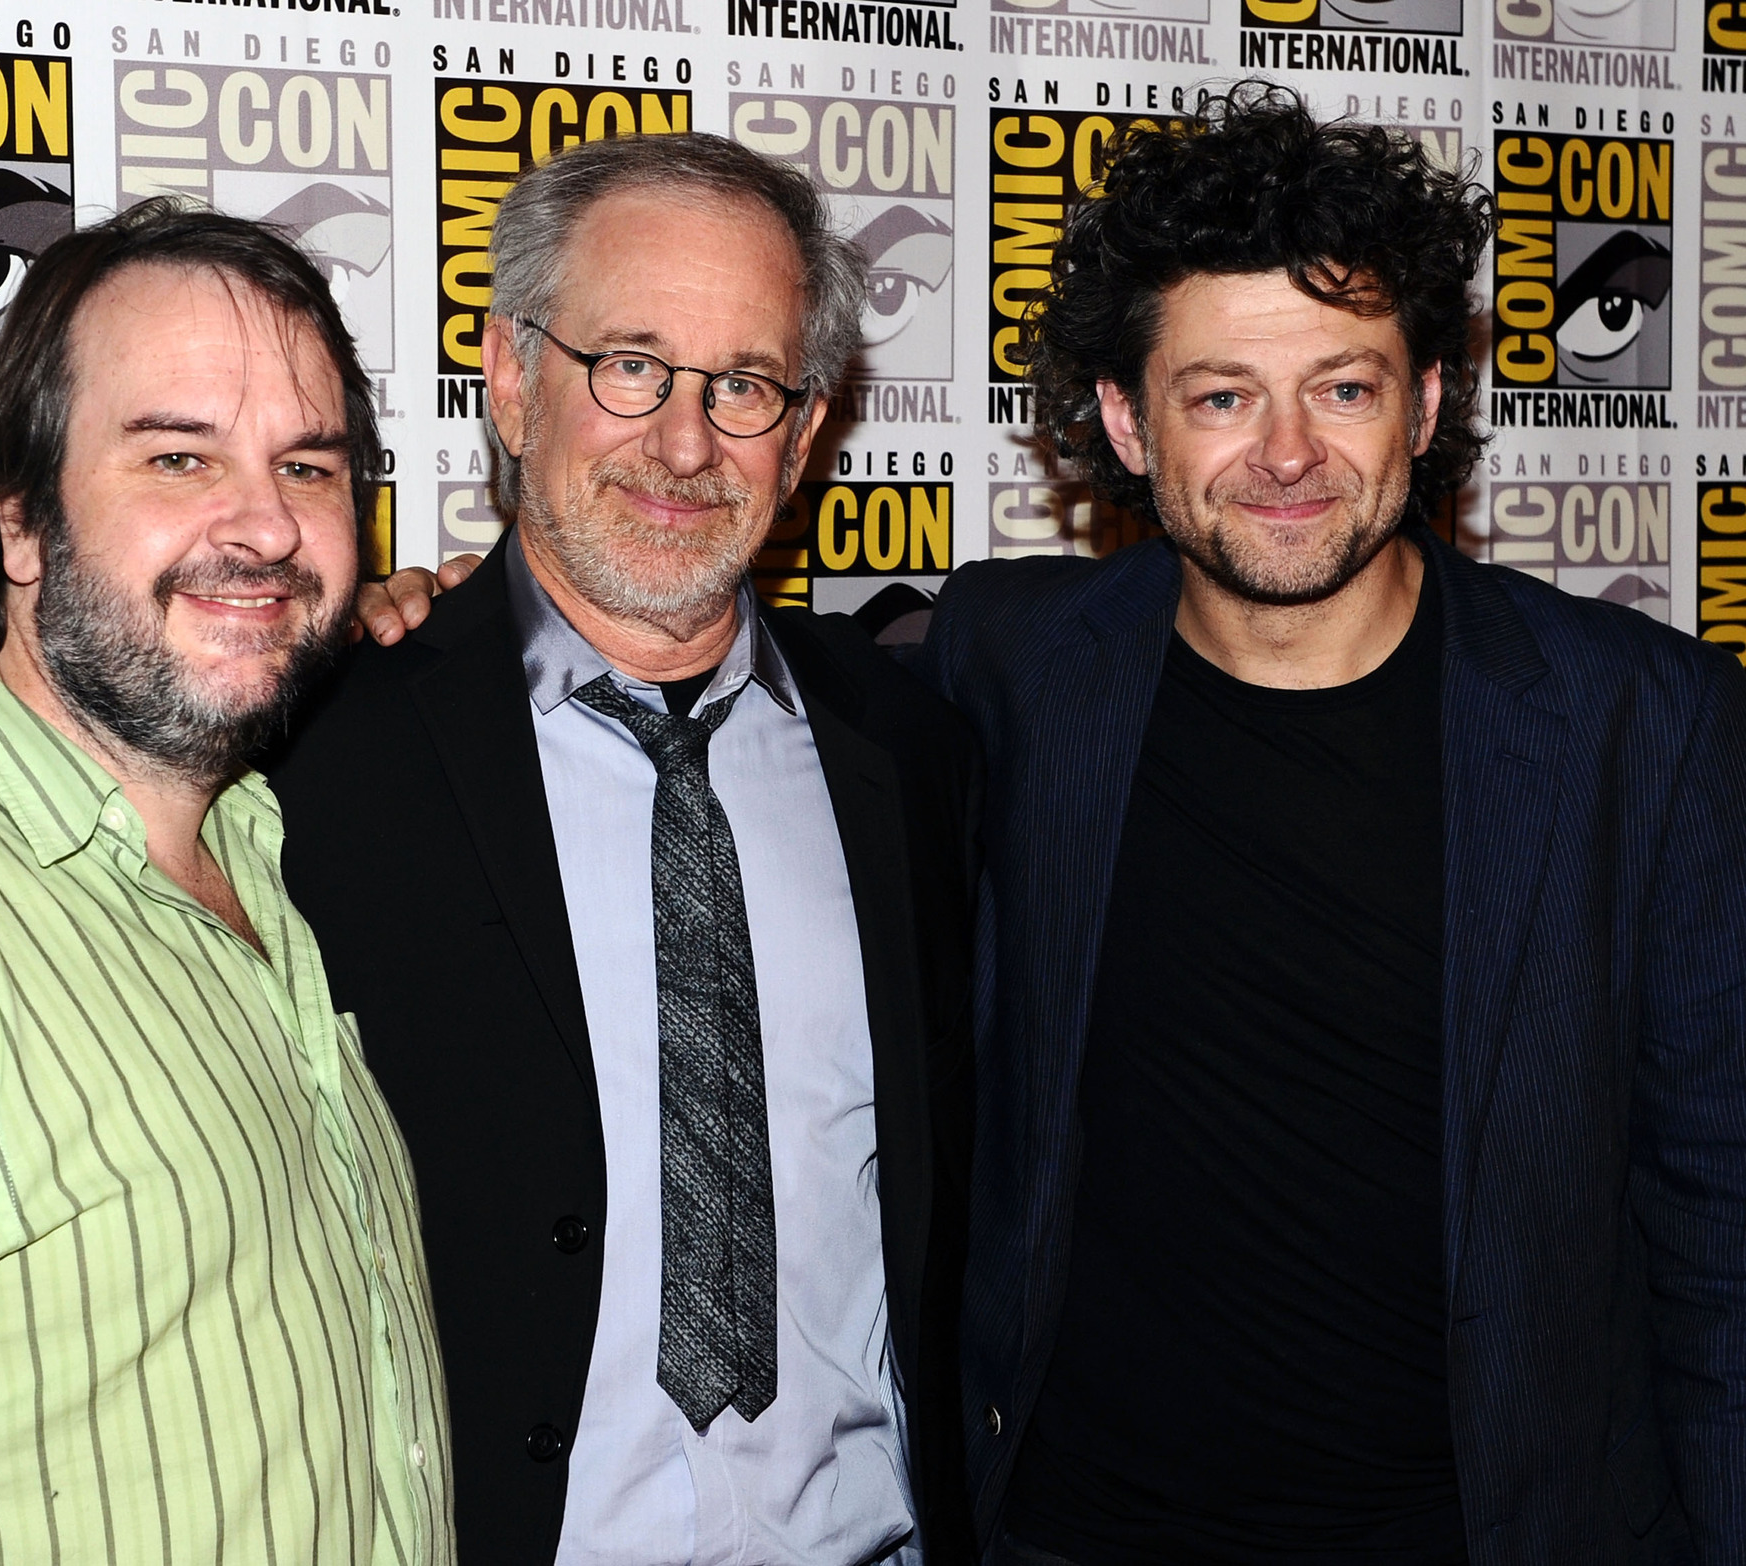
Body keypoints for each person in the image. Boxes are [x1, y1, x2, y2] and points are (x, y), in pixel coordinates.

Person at [923, 87, 1746, 1563]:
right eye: (1223, 394)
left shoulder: (1644, 722)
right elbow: (707, 657)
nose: (1289, 452)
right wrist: (452, 616)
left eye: (1345, 387)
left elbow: (1722, 1220)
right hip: (1082, 1533)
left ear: (1425, 404)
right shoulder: (1012, 661)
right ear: (1126, 420)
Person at [0, 200, 455, 1563]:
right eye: (178, 456)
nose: (267, 528)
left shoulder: (262, 846)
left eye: (310, 466)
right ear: (22, 520)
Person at [271, 132, 980, 1565]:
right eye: (632, 365)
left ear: (807, 426)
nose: (683, 441)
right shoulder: (321, 755)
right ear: (514, 378)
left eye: (745, 385)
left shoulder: (912, 753)